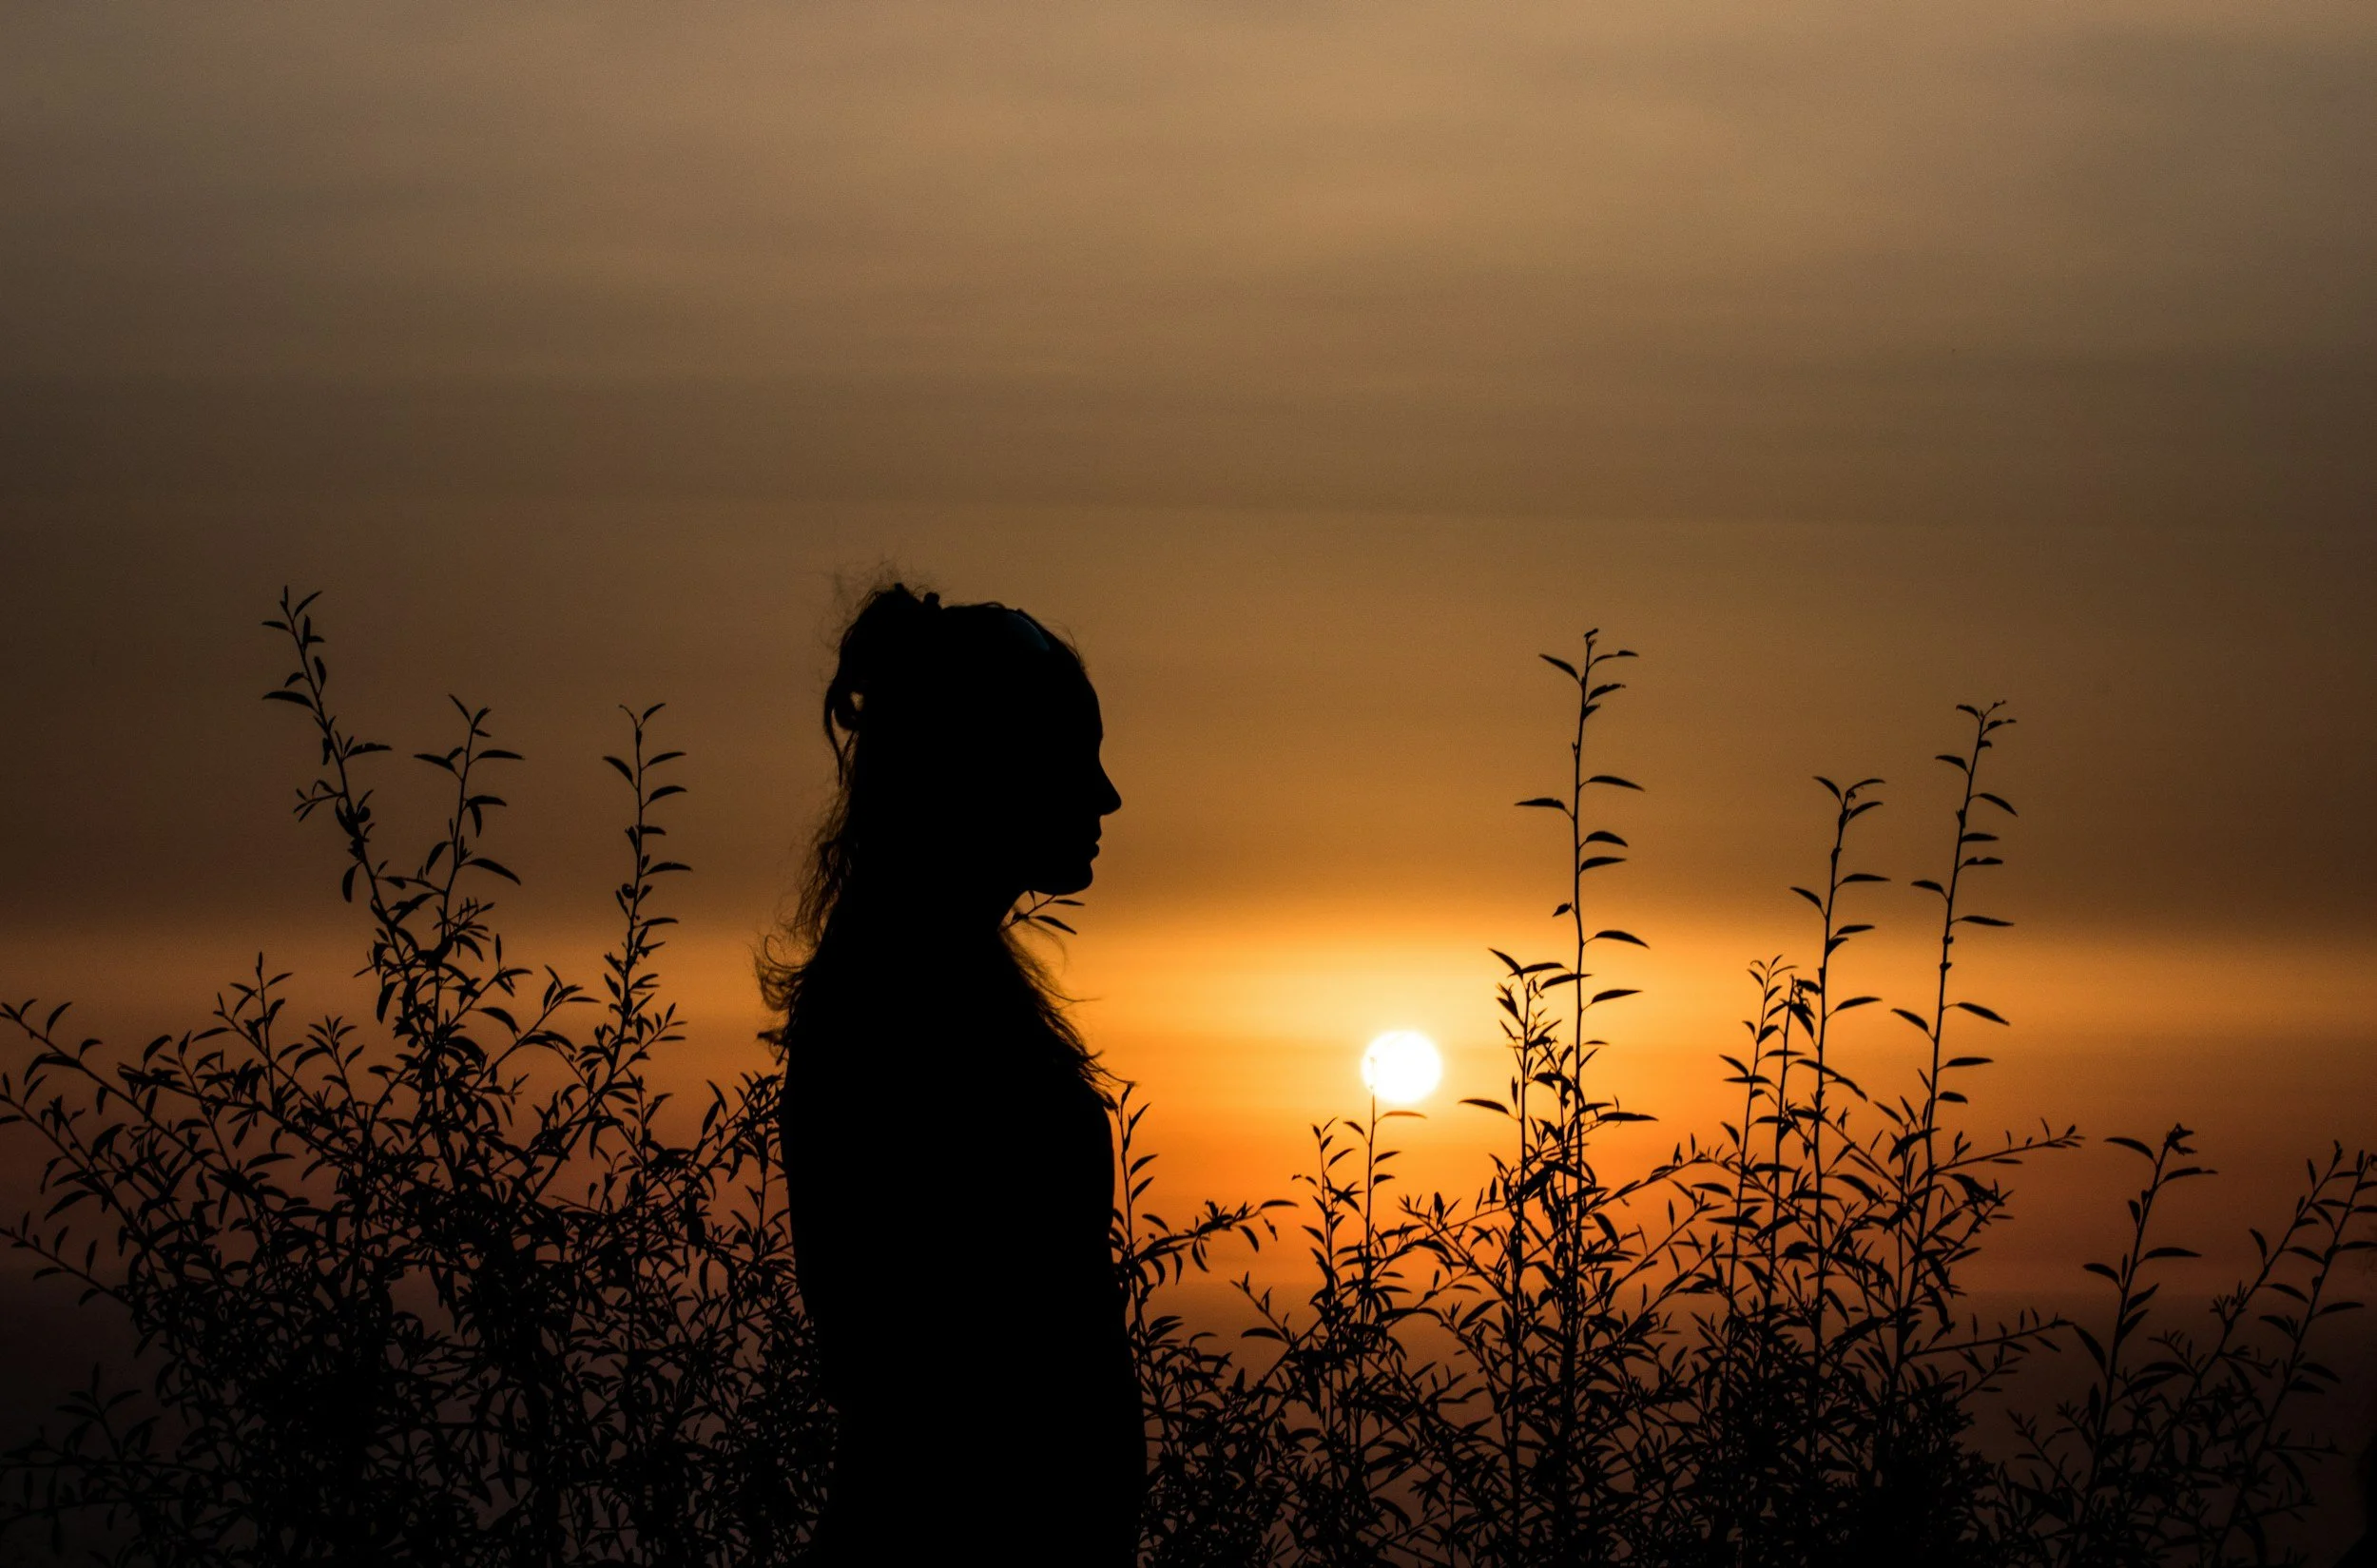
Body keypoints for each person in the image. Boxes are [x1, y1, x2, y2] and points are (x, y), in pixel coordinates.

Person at [766, 584, 1139, 1565]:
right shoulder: (910, 1011)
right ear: (987, 767)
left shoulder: (919, 985)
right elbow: (932, 1357)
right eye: (1075, 758)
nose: (1105, 796)